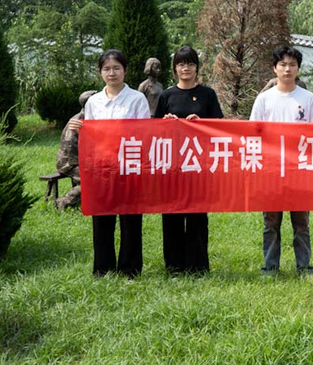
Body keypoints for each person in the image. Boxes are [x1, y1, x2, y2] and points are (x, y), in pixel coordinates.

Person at [68, 49, 150, 277]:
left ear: (125, 70)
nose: (112, 73)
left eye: (116, 68)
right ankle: (103, 268)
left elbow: (144, 132)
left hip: (129, 165)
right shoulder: (93, 102)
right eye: (107, 69)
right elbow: (91, 135)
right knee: (102, 217)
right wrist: (81, 130)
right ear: (100, 72)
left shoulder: (137, 99)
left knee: (130, 219)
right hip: (102, 167)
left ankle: (130, 269)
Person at [250, 46, 313, 275]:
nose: (287, 69)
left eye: (292, 65)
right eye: (282, 64)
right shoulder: (264, 99)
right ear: (275, 68)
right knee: (271, 223)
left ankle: (304, 266)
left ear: (298, 68)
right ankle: (270, 267)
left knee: (301, 223)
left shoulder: (308, 98)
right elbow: (253, 133)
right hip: (271, 171)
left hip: (300, 171)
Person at [155, 46, 224, 275]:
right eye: (181, 64)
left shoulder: (208, 94)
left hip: (199, 165)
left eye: (191, 63)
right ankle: (174, 266)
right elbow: (153, 131)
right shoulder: (166, 96)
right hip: (172, 165)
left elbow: (220, 127)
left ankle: (197, 266)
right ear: (175, 68)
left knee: (197, 217)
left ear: (197, 67)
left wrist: (202, 123)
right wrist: (165, 122)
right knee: (172, 216)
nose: (186, 68)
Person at [54, 90, 97, 210]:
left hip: (83, 160)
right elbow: (70, 145)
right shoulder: (78, 120)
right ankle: (64, 201)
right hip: (69, 163)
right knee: (92, 178)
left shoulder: (91, 117)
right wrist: (83, 164)